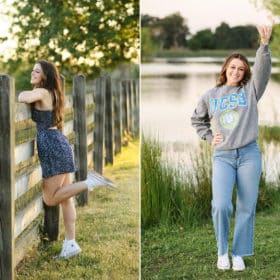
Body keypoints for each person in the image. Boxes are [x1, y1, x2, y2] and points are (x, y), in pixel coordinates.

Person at [191, 25, 273, 271]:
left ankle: (239, 253)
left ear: (245, 72)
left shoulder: (250, 91)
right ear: (225, 68)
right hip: (223, 157)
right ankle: (222, 251)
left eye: (241, 68)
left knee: (247, 206)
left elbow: (263, 71)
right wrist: (208, 136)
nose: (237, 71)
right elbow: (197, 119)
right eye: (233, 67)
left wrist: (264, 45)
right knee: (221, 205)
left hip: (249, 154)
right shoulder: (210, 95)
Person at [18, 60, 115, 259]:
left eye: (37, 71)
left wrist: (22, 93)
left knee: (51, 198)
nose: (33, 72)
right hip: (58, 144)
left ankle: (90, 182)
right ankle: (70, 244)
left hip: (53, 148)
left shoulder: (44, 92)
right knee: (66, 200)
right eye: (33, 69)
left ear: (45, 76)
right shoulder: (54, 92)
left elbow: (24, 97)